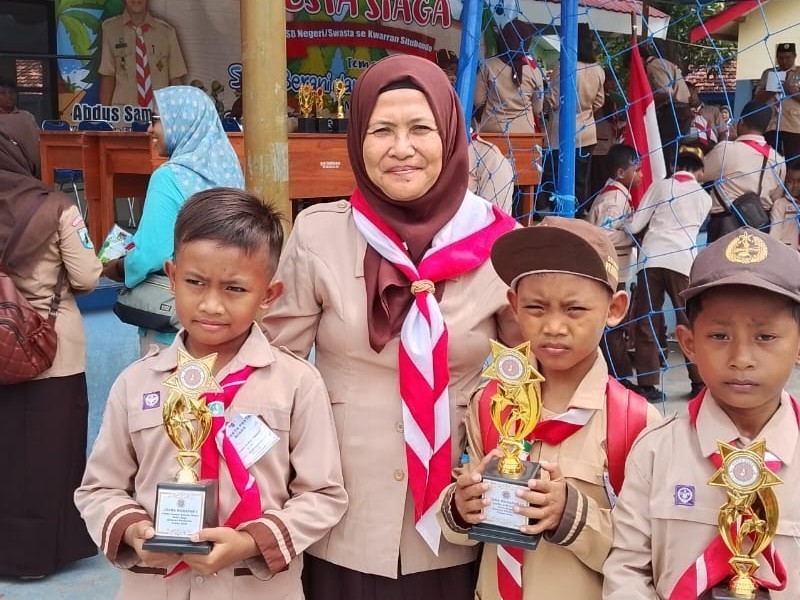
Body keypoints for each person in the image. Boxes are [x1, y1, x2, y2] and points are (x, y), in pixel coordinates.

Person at [262, 54, 519, 600]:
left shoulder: (501, 245)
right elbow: (272, 368)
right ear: (358, 139)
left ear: (450, 135)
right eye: (382, 131)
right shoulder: (318, 234)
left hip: (458, 520)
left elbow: (531, 376)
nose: (401, 148)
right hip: (341, 517)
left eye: (420, 129)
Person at [75, 188, 348, 599]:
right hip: (157, 586)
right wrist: (133, 530)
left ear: (268, 295)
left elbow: (323, 494)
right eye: (195, 283)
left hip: (255, 588)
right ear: (172, 277)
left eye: (234, 289)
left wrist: (252, 541)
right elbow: (99, 488)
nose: (212, 305)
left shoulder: (296, 383)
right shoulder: (136, 383)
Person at [438, 218, 661, 600]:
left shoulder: (635, 422)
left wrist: (571, 515)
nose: (554, 326)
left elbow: (648, 557)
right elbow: (460, 525)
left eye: (575, 309)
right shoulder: (491, 403)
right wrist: (461, 507)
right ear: (513, 305)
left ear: (615, 308)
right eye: (536, 308)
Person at [603, 227, 800, 598]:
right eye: (719, 336)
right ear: (688, 343)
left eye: (765, 337)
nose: (741, 358)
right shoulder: (656, 451)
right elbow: (627, 569)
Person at [0, 114, 102, 578]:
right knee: (51, 454)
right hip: (51, 348)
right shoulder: (57, 207)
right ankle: (44, 553)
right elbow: (87, 277)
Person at [101, 85, 245, 353]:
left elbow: (151, 254)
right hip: (225, 320)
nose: (149, 130)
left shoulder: (168, 178)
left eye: (155, 120)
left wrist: (117, 268)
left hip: (173, 328)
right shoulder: (230, 171)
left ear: (181, 122)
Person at [626, 152, 712, 402]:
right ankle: (698, 382)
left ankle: (648, 384)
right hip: (683, 262)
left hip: (651, 259)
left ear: (675, 166)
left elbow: (635, 225)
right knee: (688, 320)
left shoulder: (660, 186)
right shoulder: (704, 197)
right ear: (700, 171)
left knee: (647, 321)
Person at [588, 144, 642, 383]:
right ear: (621, 173)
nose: (640, 175)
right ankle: (618, 376)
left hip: (616, 267)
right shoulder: (614, 199)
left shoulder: (618, 195)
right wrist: (634, 237)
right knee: (613, 323)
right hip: (611, 269)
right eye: (636, 170)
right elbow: (605, 235)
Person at [701, 99, 786, 243]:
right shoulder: (778, 160)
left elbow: (700, 174)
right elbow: (776, 197)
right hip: (760, 230)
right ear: (766, 128)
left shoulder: (726, 149)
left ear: (741, 122)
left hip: (724, 226)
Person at [543, 23, 605, 212]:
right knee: (580, 180)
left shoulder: (563, 66)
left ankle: (559, 215)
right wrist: (584, 110)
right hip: (587, 132)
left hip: (562, 133)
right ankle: (576, 215)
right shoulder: (597, 69)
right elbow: (599, 101)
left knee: (556, 178)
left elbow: (554, 100)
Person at [98, 0, 187, 107]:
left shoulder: (166, 32)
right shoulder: (111, 29)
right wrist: (105, 114)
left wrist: (176, 113)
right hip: (124, 113)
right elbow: (108, 77)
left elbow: (176, 79)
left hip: (159, 112)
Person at [473, 19, 545, 134]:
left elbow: (478, 101)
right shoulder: (534, 70)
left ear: (502, 39)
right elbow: (538, 109)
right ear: (527, 42)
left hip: (492, 129)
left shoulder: (488, 65)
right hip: (524, 131)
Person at [645, 38, 691, 173]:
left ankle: (669, 179)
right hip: (683, 110)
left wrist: (647, 101)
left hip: (672, 111)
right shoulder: (665, 62)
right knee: (676, 151)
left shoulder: (652, 66)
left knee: (667, 152)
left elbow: (665, 92)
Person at [754, 42, 800, 161]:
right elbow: (757, 98)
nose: (784, 61)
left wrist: (790, 90)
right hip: (770, 126)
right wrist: (771, 90)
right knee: (771, 162)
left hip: (794, 127)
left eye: (788, 57)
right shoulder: (768, 73)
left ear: (795, 56)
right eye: (781, 58)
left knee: (793, 165)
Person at [770, 160, 800, 249]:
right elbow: (775, 232)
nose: (794, 185)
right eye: (789, 182)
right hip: (789, 252)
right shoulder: (780, 204)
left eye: (799, 181)